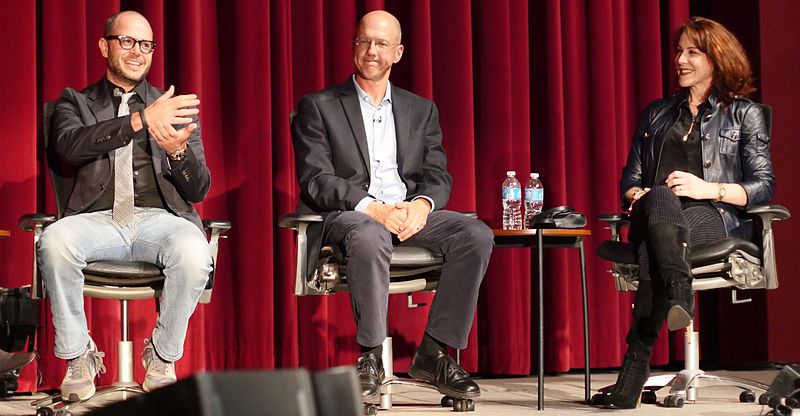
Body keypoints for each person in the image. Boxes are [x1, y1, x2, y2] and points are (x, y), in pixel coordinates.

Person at [291, 10, 494, 400]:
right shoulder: (320, 106)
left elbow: (438, 175)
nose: (371, 51)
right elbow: (316, 179)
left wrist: (421, 204)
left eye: (381, 44)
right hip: (352, 216)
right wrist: (373, 208)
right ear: (353, 47)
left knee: (475, 234)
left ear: (398, 53)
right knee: (369, 235)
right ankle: (370, 355)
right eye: (364, 41)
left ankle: (433, 352)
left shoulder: (421, 110)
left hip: (407, 213)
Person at [593, 17, 774, 409]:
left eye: (692, 51)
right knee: (659, 198)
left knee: (657, 251)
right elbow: (631, 176)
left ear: (717, 58)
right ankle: (679, 292)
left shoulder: (745, 114)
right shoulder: (657, 112)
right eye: (679, 50)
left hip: (710, 218)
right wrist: (637, 192)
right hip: (652, 213)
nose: (681, 59)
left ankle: (633, 374)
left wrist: (707, 188)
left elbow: (764, 184)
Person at [39, 11, 213, 401]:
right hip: (96, 221)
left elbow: (199, 188)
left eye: (146, 44)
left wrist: (178, 151)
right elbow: (70, 147)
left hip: (160, 221)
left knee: (194, 250)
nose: (138, 52)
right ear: (105, 46)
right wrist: (139, 120)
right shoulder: (76, 102)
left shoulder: (171, 105)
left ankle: (163, 356)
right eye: (128, 42)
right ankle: (77, 355)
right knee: (54, 241)